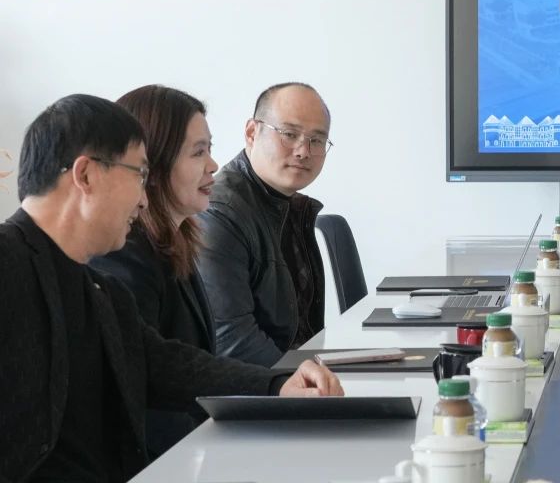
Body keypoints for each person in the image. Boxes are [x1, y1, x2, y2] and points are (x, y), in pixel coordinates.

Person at [0, 94, 342, 483]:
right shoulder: (9, 264)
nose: (144, 198)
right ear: (86, 175)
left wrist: (277, 384)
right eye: (139, 174)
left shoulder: (96, 288)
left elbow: (163, 364)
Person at [88, 86, 219, 457]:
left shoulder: (175, 240)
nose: (213, 165)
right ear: (154, 167)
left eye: (210, 149)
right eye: (198, 152)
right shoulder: (124, 256)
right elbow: (145, 385)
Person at [197, 82, 332, 365]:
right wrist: (300, 379)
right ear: (251, 132)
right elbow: (231, 341)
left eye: (317, 140)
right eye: (289, 134)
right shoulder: (219, 213)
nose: (303, 151)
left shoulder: (290, 205)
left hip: (291, 374)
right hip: (259, 385)